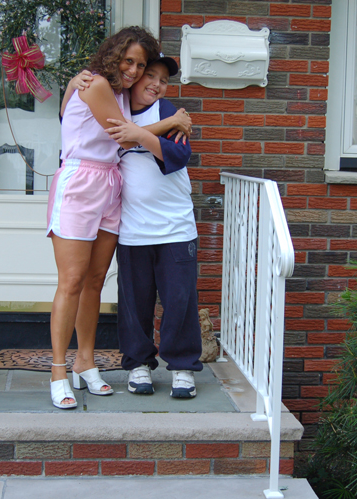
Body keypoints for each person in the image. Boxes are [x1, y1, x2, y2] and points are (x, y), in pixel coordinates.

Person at [46, 26, 159, 409]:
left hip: (111, 184)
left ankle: (85, 361)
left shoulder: (121, 92)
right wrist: (174, 123)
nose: (133, 70)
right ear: (113, 55)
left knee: (95, 281)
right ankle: (58, 371)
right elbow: (126, 138)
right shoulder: (95, 84)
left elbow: (67, 113)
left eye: (140, 65)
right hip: (80, 181)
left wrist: (67, 88)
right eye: (128, 60)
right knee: (72, 281)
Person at [104, 56, 202, 398]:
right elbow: (108, 139)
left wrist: (139, 134)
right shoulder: (115, 111)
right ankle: (139, 365)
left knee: (180, 300)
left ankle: (183, 367)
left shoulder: (168, 112)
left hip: (175, 227)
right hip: (132, 229)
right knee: (134, 302)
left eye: (163, 79)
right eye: (151, 75)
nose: (157, 84)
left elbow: (178, 156)